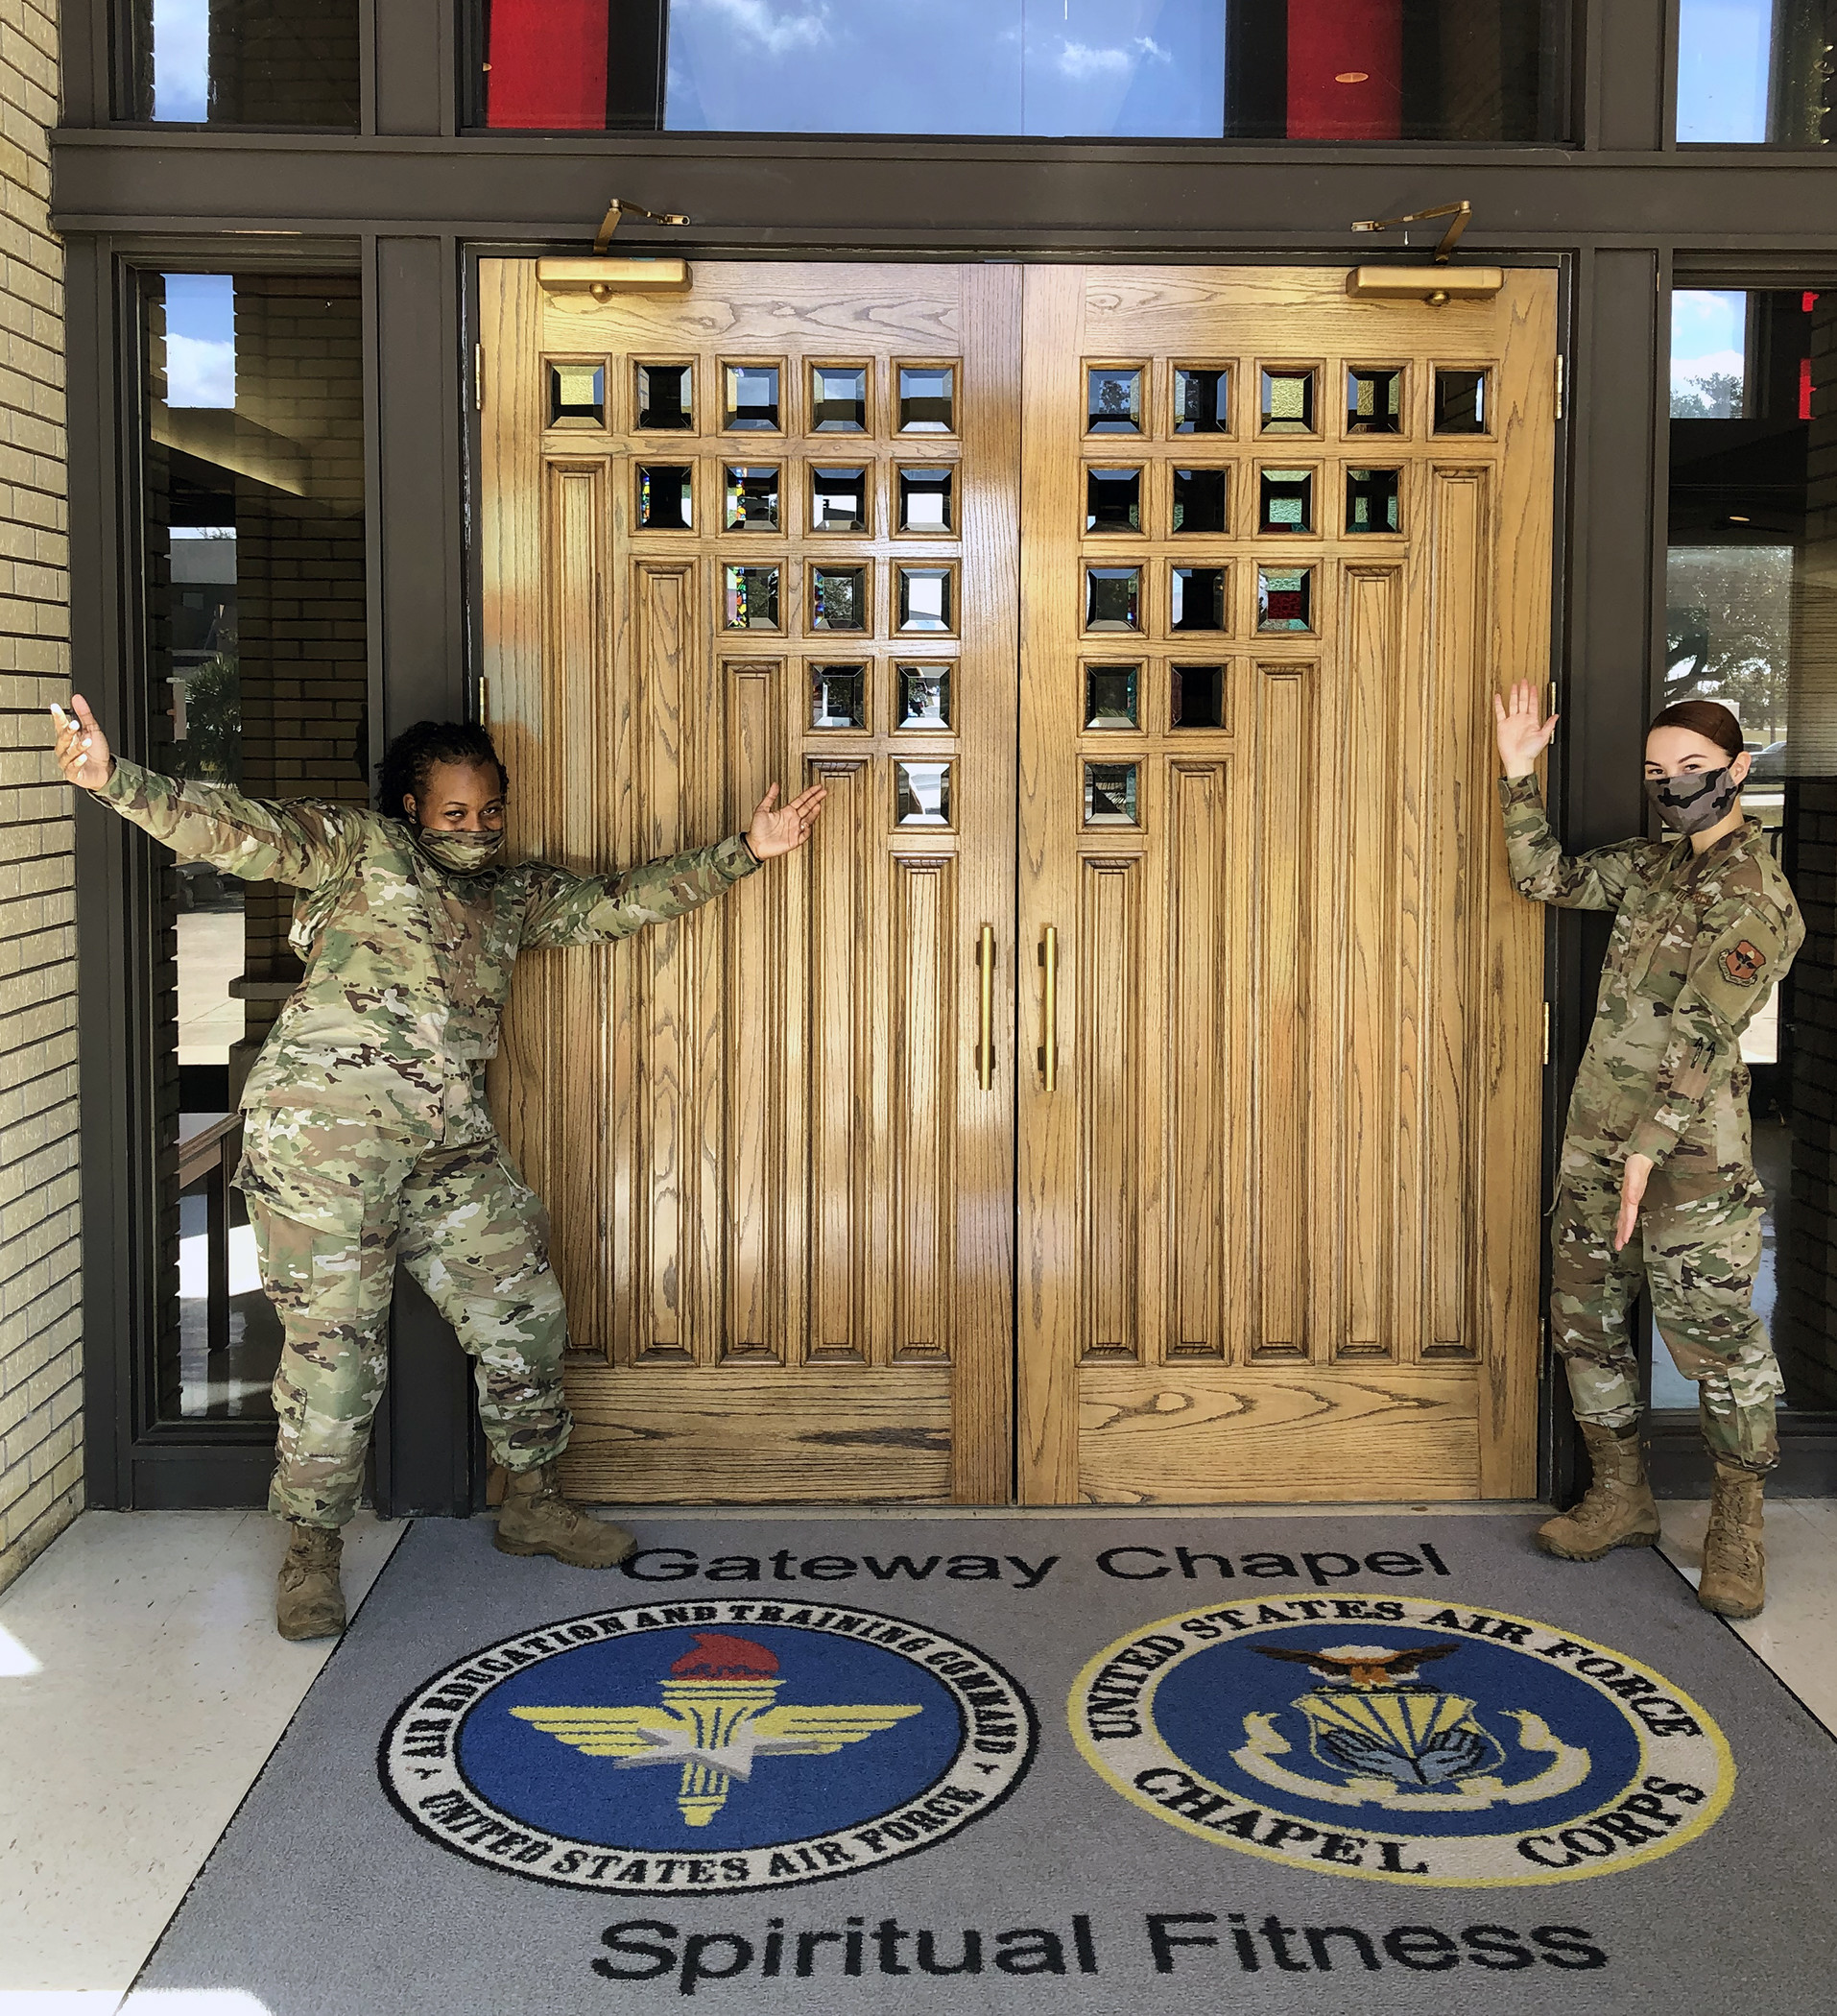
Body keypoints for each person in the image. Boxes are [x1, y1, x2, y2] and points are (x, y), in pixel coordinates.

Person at [54, 695, 825, 1641]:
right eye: (455, 813)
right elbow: (238, 831)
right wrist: (113, 780)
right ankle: (310, 1555)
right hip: (322, 1152)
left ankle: (533, 1502)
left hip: (445, 1144)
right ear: (413, 809)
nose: (476, 829)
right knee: (336, 1363)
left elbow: (615, 902)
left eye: (490, 811)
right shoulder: (354, 850)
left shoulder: (509, 897)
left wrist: (746, 849)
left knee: (524, 1311)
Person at [1493, 682, 1802, 1619]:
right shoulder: (1654, 867)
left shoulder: (1759, 897)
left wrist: (1643, 1156)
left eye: (1696, 772)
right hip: (1597, 1142)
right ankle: (1621, 1497)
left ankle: (1737, 1526)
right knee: (1584, 1318)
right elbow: (1548, 878)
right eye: (1658, 775)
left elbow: (1705, 1037)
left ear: (1739, 770)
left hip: (1689, 1164)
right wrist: (1518, 776)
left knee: (1716, 1341)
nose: (1675, 789)